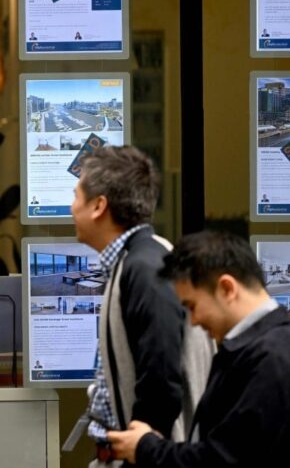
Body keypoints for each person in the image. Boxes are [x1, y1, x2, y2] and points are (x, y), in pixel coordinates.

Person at [70, 145, 213, 466]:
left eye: (76, 196)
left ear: (98, 206)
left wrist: (145, 449)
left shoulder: (145, 268)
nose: (71, 207)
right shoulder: (136, 260)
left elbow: (160, 380)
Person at [107, 230, 290, 467]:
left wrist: (145, 447)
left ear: (227, 289)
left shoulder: (272, 360)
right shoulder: (255, 350)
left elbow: (220, 459)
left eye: (192, 306)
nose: (194, 321)